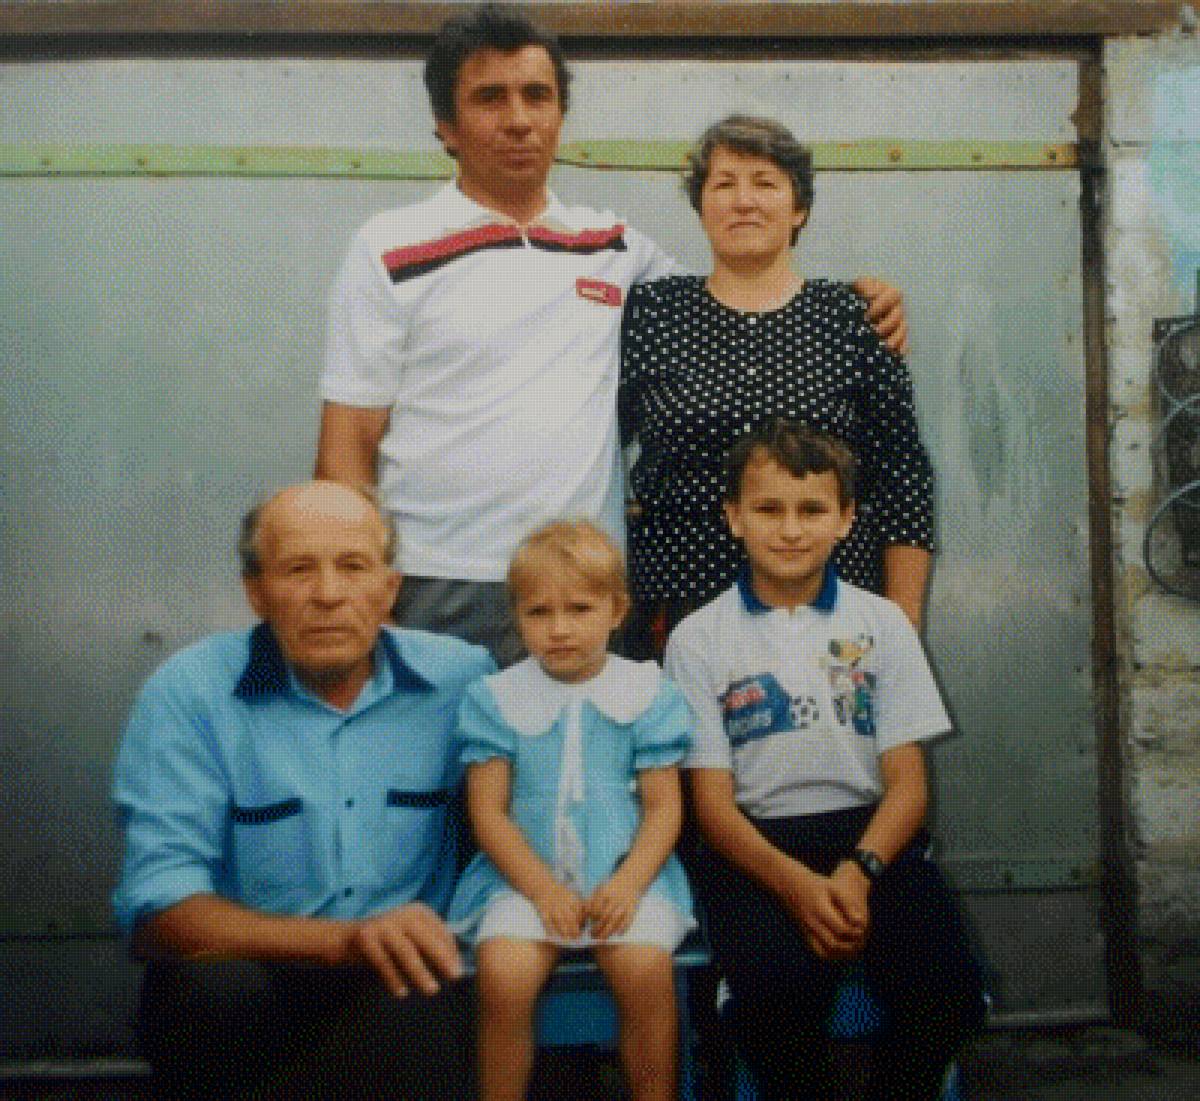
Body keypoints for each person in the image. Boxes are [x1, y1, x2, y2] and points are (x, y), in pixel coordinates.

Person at [316, 3, 907, 666]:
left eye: (537, 95)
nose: (518, 119)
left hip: (584, 586)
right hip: (438, 581)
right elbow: (347, 445)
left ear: (560, 115)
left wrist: (862, 299)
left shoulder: (614, 247)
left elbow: (744, 294)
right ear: (445, 126)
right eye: (489, 98)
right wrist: (362, 585)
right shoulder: (389, 248)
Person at [110, 481, 496, 1099]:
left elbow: (515, 836)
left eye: (354, 567)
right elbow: (159, 913)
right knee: (210, 991)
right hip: (256, 978)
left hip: (399, 984)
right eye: (298, 570)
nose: (328, 594)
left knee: (429, 987)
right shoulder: (189, 693)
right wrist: (344, 942)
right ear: (256, 592)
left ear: (389, 588)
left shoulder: (463, 681)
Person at [664, 420, 984, 1101]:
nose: (790, 529)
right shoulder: (698, 638)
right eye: (768, 509)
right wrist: (798, 888)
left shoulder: (882, 623)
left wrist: (858, 873)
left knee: (948, 989)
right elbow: (712, 808)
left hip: (872, 842)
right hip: (756, 851)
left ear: (846, 519)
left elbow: (908, 788)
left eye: (812, 509)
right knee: (774, 994)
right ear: (734, 517)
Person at [621, 115, 935, 658]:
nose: (744, 201)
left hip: (827, 611)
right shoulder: (651, 312)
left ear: (799, 209)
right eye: (724, 184)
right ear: (701, 208)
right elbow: (594, 437)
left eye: (765, 183)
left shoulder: (852, 317)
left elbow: (903, 475)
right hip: (680, 605)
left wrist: (901, 623)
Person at [446, 520, 695, 1101]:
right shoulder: (497, 698)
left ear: (616, 610)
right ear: (517, 616)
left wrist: (629, 884)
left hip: (627, 878)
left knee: (643, 970)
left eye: (580, 609)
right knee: (504, 975)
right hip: (522, 881)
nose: (559, 629)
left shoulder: (647, 693)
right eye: (539, 612)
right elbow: (489, 814)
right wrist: (541, 890)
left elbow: (663, 810)